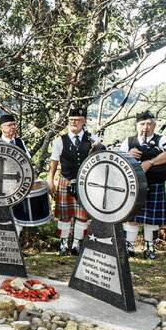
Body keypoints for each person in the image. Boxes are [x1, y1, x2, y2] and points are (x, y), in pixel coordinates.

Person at [120, 110, 166, 260]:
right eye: (142, 124)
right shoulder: (129, 142)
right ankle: (129, 247)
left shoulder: (161, 139)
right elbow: (117, 159)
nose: (145, 127)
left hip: (155, 183)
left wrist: (150, 162)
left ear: (154, 125)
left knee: (151, 219)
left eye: (149, 124)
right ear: (137, 125)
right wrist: (128, 154)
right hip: (133, 185)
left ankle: (149, 247)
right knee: (131, 217)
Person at [47, 107, 99, 256]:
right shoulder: (60, 140)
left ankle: (76, 244)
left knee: (82, 216)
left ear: (84, 121)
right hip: (65, 180)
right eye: (71, 120)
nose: (73, 122)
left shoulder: (92, 139)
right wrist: (50, 180)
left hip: (85, 182)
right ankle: (63, 245)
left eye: (76, 120)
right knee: (64, 215)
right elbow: (54, 162)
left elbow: (100, 158)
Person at [0, 114, 31, 236]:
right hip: (2, 187)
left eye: (14, 124)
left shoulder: (20, 142)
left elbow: (27, 162)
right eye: (9, 125)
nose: (13, 127)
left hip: (19, 185)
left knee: (19, 216)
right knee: (4, 216)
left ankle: (15, 246)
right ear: (1, 128)